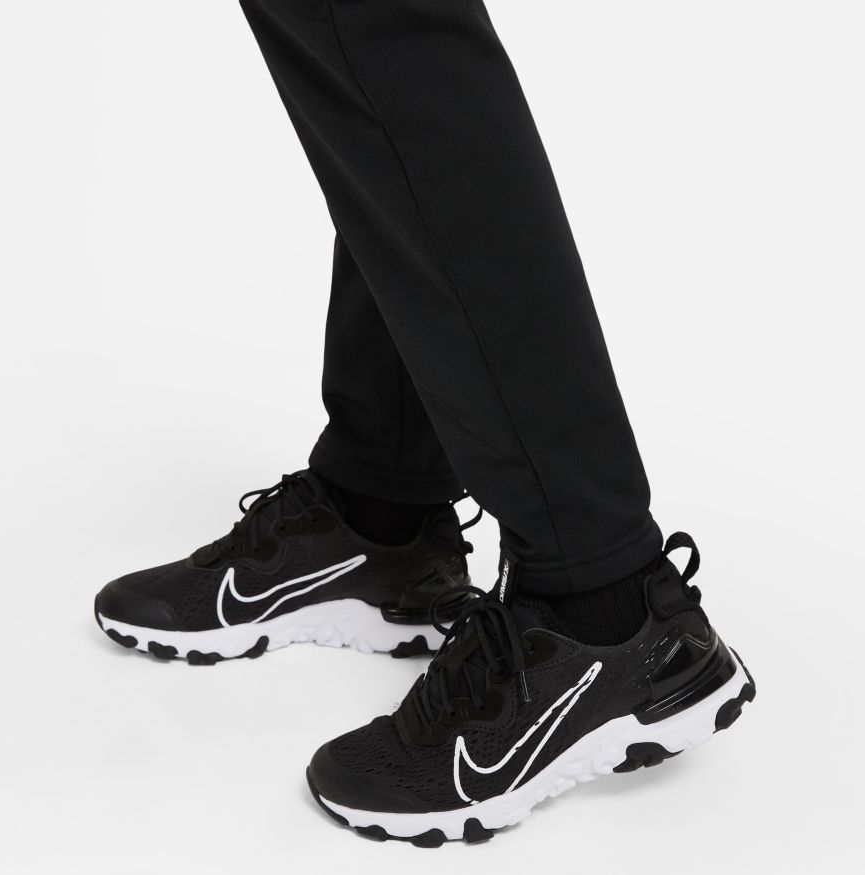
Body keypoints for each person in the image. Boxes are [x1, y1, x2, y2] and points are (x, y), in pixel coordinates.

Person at [94, 0, 755, 845]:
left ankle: (601, 607)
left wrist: (594, 572)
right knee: (363, 49)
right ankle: (383, 497)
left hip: (601, 599)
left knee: (379, 30)